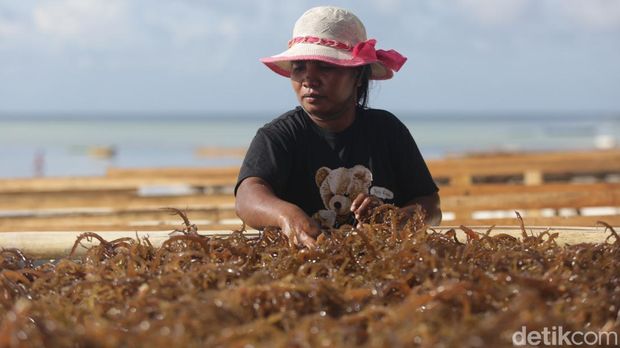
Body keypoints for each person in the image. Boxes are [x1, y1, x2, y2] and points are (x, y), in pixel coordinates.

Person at [235, 6, 441, 248]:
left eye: (325, 66)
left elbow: (431, 206)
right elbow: (247, 196)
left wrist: (396, 218)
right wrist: (286, 215)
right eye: (299, 67)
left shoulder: (388, 131)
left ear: (358, 75)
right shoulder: (279, 136)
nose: (309, 79)